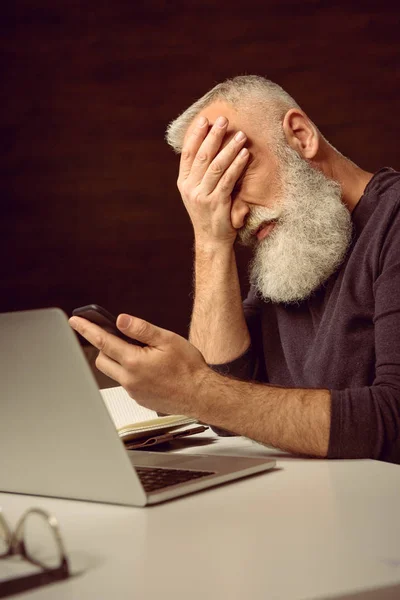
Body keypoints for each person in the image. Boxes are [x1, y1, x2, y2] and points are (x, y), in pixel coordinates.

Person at [70, 75, 400, 462]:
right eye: (214, 197)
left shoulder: (390, 221)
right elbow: (231, 399)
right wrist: (211, 240)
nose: (235, 216)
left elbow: (391, 422)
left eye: (235, 180)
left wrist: (195, 391)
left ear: (301, 135)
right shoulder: (298, 242)